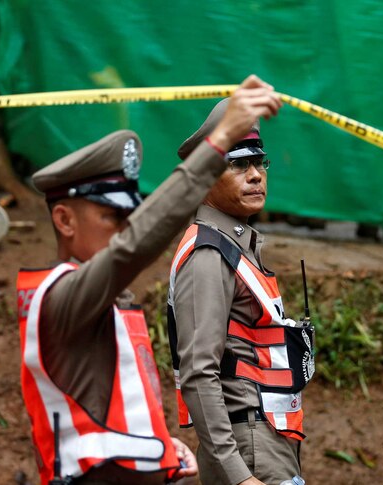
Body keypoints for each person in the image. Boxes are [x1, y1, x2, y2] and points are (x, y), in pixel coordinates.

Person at [15, 75, 282, 484]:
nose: (124, 229)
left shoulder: (112, 301)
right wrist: (220, 138)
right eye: (111, 217)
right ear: (64, 220)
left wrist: (158, 447)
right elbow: (136, 245)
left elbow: (113, 412)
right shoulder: (66, 296)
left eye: (128, 218)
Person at [167, 98, 314, 485]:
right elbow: (200, 372)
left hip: (266, 442)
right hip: (248, 449)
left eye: (258, 163)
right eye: (237, 165)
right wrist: (239, 476)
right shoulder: (208, 254)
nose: (255, 175)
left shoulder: (235, 248)